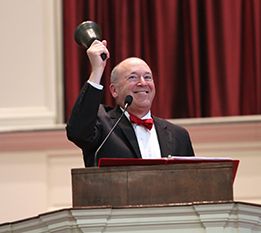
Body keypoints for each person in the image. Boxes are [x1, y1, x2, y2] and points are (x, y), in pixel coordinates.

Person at [66, 40, 194, 167]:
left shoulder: (179, 135)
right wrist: (97, 70)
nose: (143, 83)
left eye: (148, 77)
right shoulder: (101, 122)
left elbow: (191, 179)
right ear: (114, 90)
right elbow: (77, 133)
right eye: (133, 77)